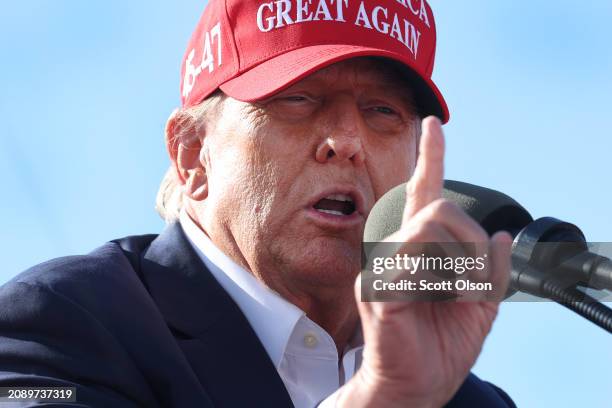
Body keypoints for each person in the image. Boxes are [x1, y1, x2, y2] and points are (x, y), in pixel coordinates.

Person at [0, 1, 516, 407]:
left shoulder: (469, 400)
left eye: (382, 110)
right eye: (296, 98)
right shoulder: (58, 324)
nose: (346, 139)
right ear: (192, 154)